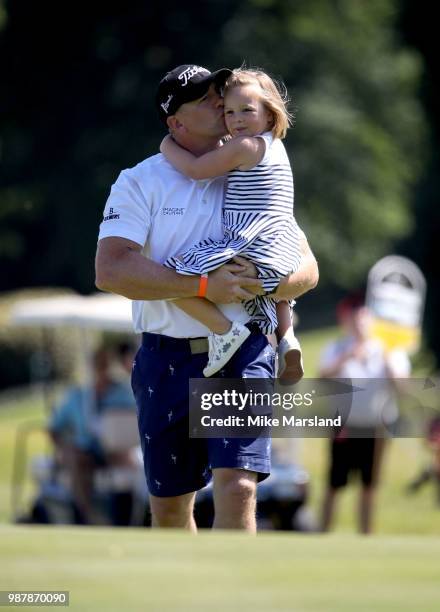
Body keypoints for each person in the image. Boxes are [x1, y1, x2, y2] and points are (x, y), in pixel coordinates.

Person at [95, 64, 319, 533]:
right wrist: (202, 288)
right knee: (172, 508)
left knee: (238, 487)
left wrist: (266, 285)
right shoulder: (140, 181)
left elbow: (307, 270)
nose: (220, 103)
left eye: (220, 93)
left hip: (242, 351)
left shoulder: (251, 165)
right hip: (166, 355)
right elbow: (111, 269)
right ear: (175, 123)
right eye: (204, 100)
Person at [160, 68, 303, 381]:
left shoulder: (244, 148)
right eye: (229, 112)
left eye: (246, 111)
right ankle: (287, 338)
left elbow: (197, 170)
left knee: (168, 277)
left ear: (269, 114)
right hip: (280, 245)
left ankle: (224, 331)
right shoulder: (272, 145)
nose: (236, 119)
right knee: (276, 293)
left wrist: (167, 146)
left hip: (249, 241)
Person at [319, 294, 411, 534]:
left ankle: (365, 536)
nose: (360, 325)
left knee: (369, 485)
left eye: (364, 320)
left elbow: (403, 388)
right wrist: (347, 357)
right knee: (334, 483)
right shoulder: (338, 347)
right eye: (355, 319)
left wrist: (388, 361)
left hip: (375, 427)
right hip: (344, 425)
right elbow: (322, 378)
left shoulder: (389, 351)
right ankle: (322, 532)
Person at [48, 347, 137, 524]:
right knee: (77, 458)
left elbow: (135, 421)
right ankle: (87, 516)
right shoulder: (77, 396)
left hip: (115, 452)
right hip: (84, 451)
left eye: (105, 365)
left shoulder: (124, 393)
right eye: (98, 365)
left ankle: (129, 518)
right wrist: (61, 448)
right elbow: (54, 427)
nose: (102, 369)